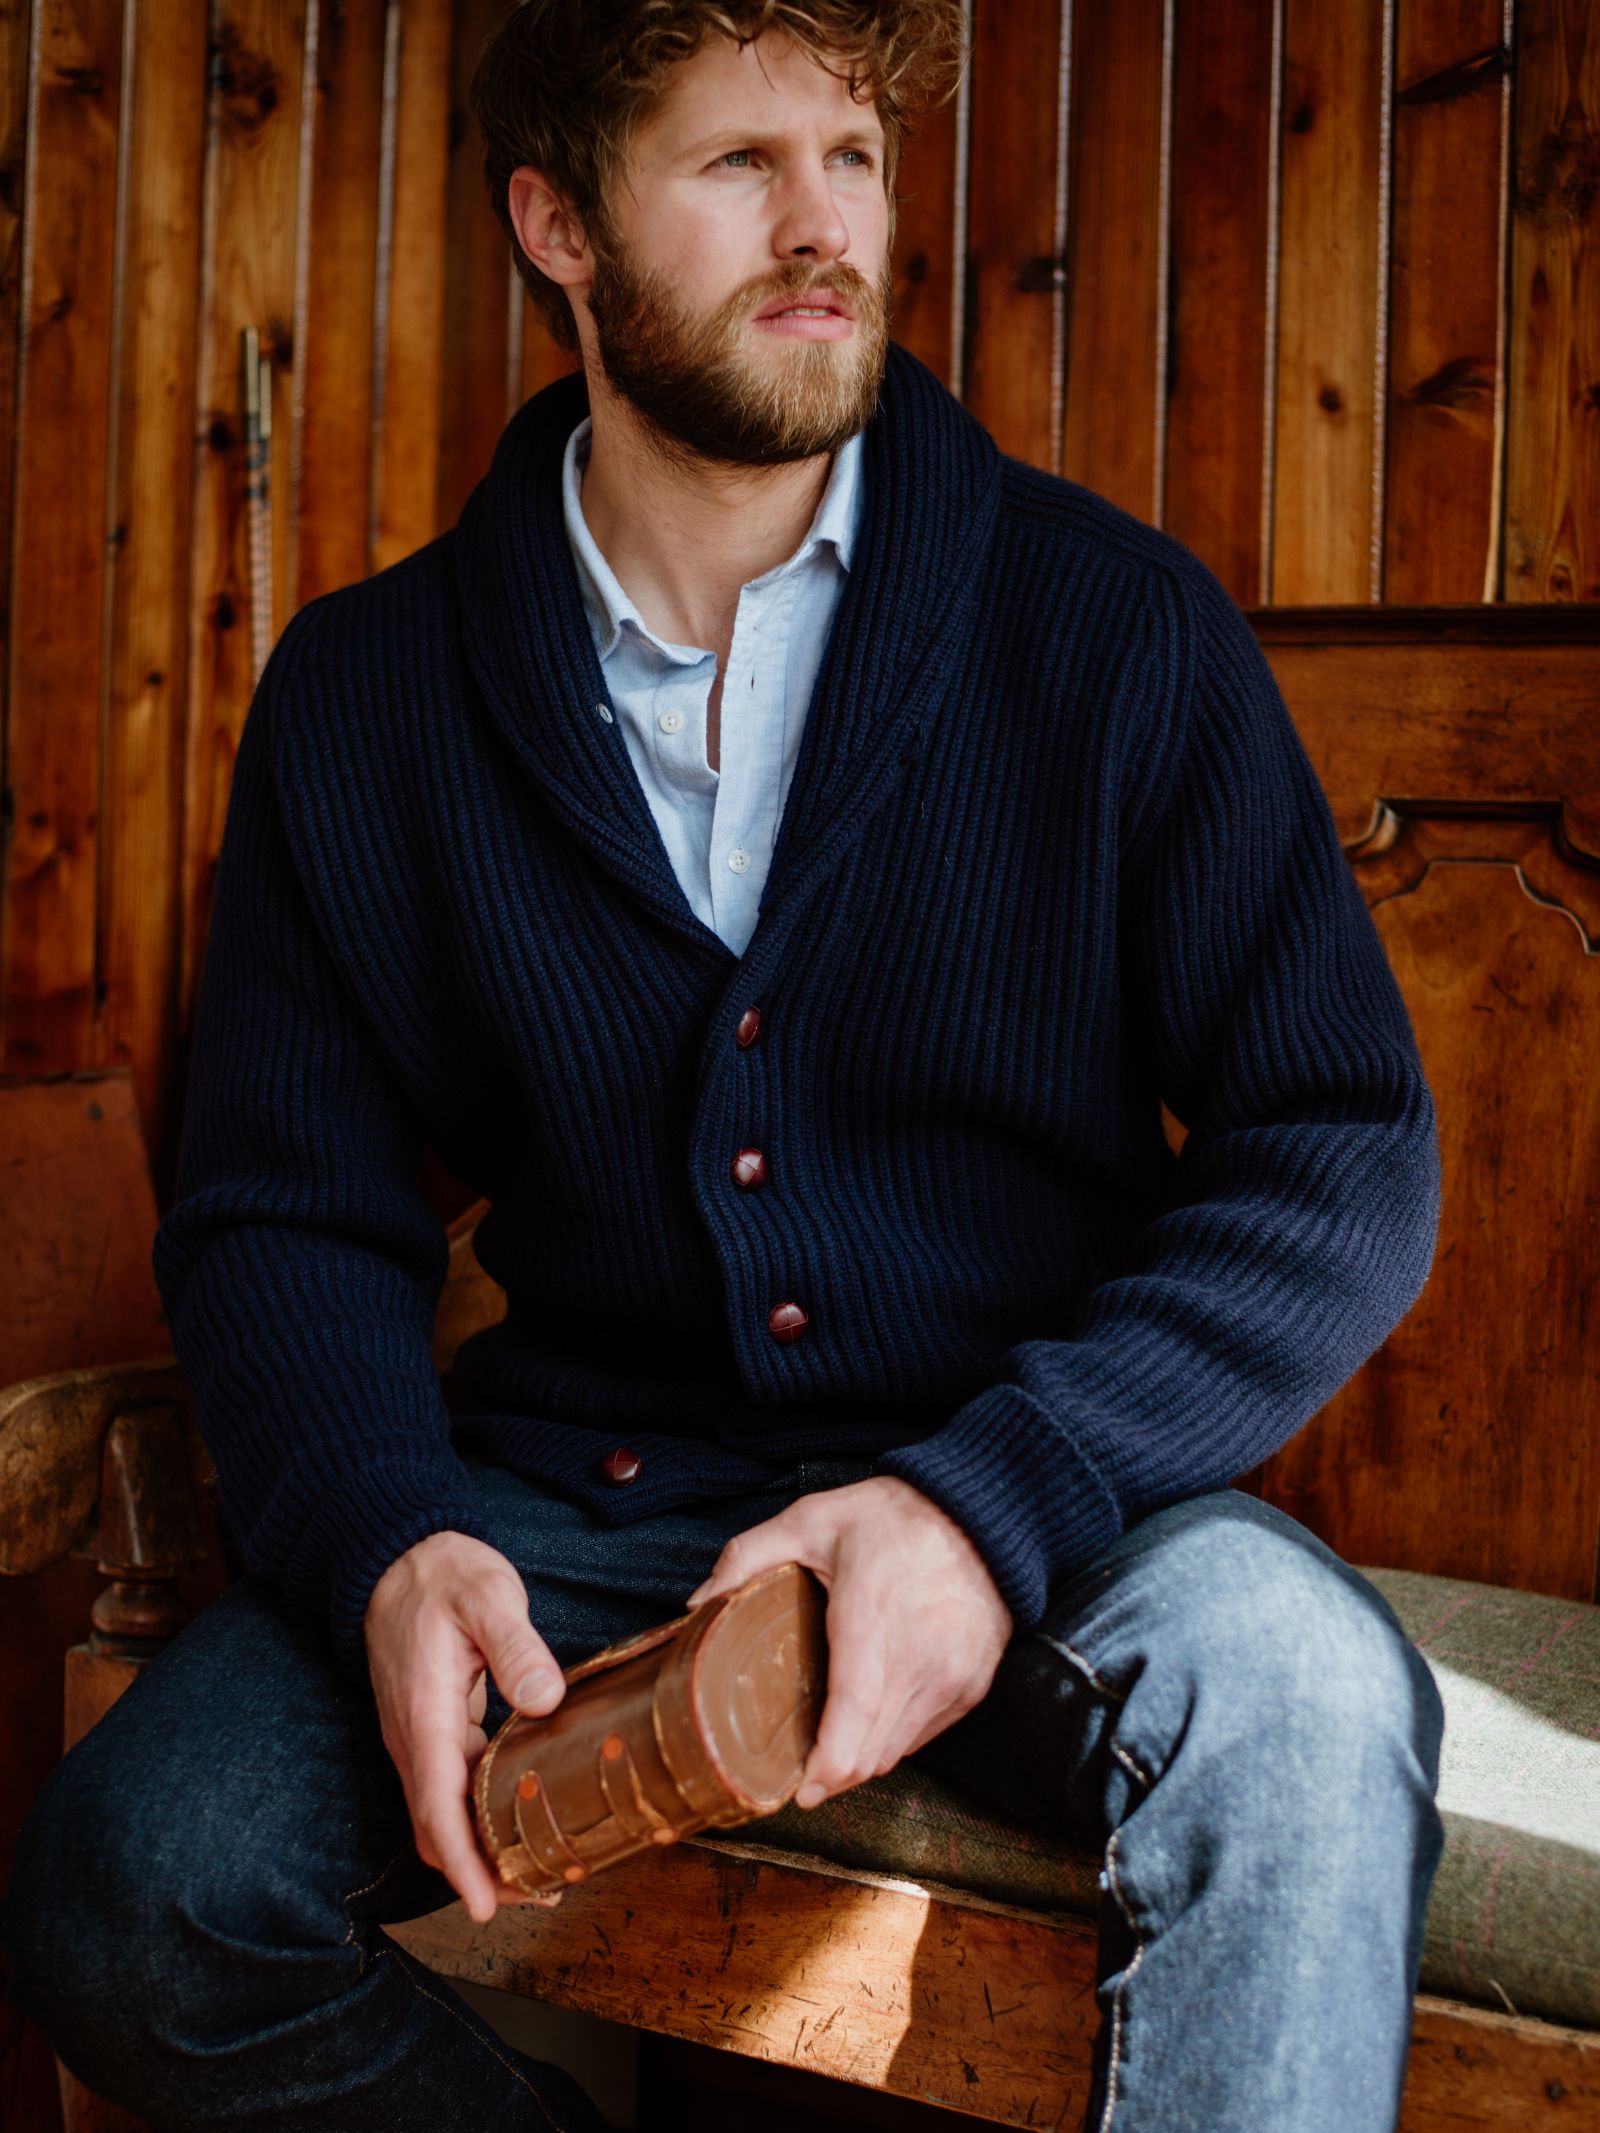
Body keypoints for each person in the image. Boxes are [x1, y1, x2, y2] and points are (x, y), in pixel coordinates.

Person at [1, 4, 1448, 2128]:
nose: (823, 227)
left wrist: (984, 1504)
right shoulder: (366, 695)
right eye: (736, 165)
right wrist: (387, 1535)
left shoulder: (1115, 631)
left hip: (1052, 1497)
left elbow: (1340, 1148)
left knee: (1310, 1694)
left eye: (851, 159)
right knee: (129, 1889)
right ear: (557, 223)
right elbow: (281, 1210)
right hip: (576, 1506)